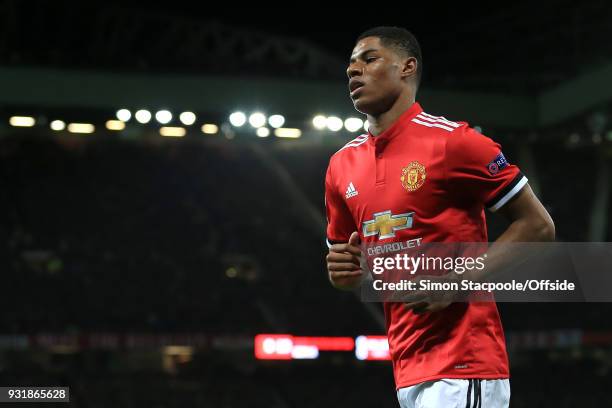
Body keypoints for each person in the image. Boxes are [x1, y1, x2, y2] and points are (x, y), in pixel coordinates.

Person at [324, 26, 555, 408]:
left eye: (369, 59)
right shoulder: (340, 166)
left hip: (464, 362)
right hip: (406, 365)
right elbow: (349, 268)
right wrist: (343, 272)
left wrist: (454, 281)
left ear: (407, 67)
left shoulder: (455, 143)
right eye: (350, 65)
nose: (353, 71)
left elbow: (538, 226)